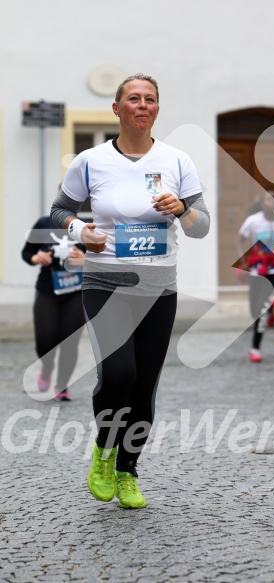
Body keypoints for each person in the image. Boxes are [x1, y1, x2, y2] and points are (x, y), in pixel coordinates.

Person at [51, 73, 210, 509]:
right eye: (134, 98)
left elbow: (202, 226)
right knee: (119, 373)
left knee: (143, 388)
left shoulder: (177, 160)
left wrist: (182, 209)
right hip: (105, 283)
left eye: (151, 99)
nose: (143, 105)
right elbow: (58, 210)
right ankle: (104, 451)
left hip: (159, 290)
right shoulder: (91, 160)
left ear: (157, 108)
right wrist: (82, 230)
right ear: (117, 109)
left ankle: (127, 471)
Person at [22, 215, 86, 401]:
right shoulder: (43, 224)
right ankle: (47, 366)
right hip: (47, 290)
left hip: (76, 291)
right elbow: (26, 253)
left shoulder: (86, 226)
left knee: (69, 341)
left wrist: (85, 259)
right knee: (45, 338)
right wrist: (36, 257)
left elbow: (102, 256)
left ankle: (62, 385)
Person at [238, 192, 274, 362]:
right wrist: (243, 261)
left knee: (262, 310)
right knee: (255, 310)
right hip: (257, 270)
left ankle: (255, 348)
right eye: (268, 199)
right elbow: (240, 240)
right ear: (262, 203)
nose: (272, 203)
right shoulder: (253, 221)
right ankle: (268, 307)